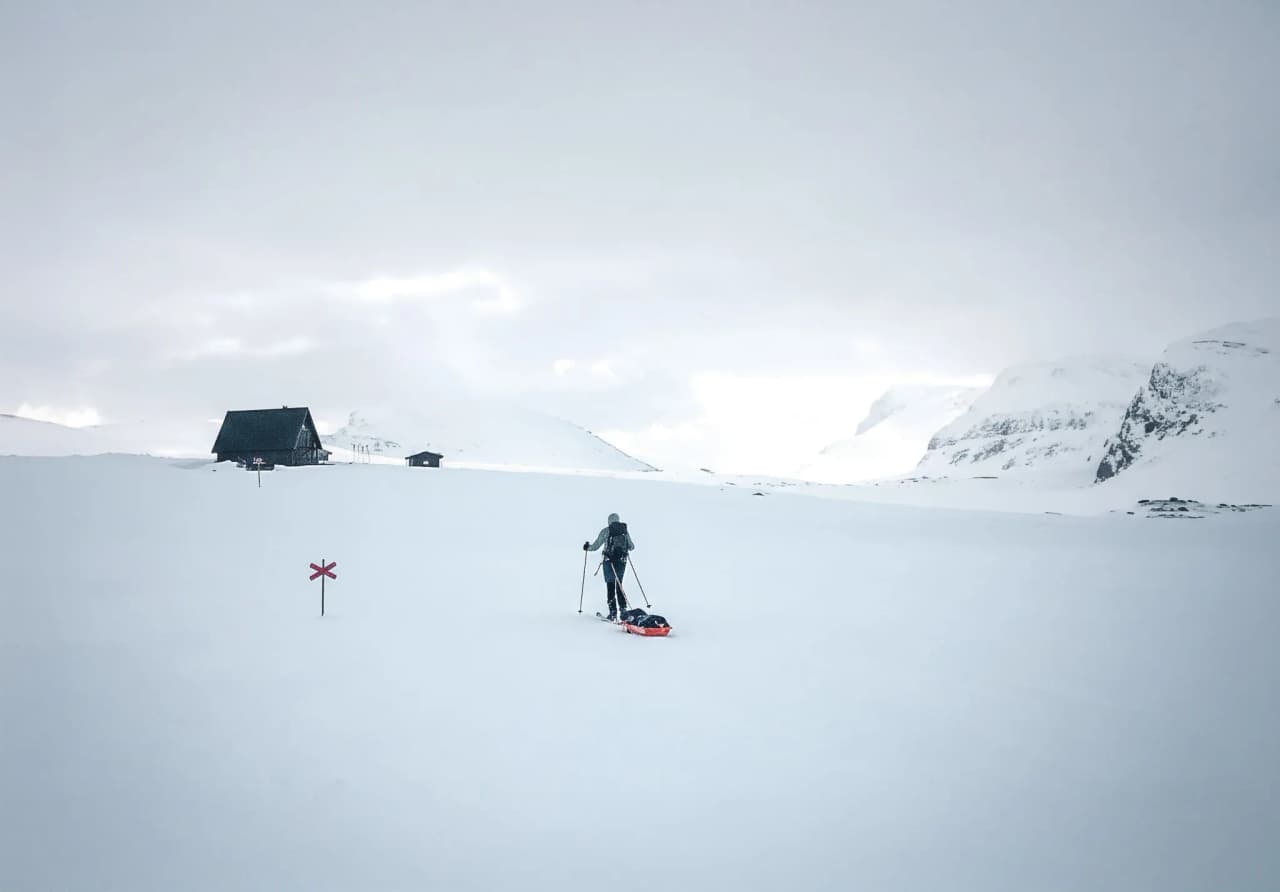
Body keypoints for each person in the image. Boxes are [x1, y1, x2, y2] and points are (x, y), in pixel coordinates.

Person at [583, 512, 635, 621]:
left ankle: (613, 613)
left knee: (610, 586)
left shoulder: (606, 531)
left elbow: (596, 546)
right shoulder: (624, 531)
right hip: (622, 562)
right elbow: (631, 547)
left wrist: (587, 547)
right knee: (619, 584)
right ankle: (623, 611)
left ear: (609, 521)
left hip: (609, 562)